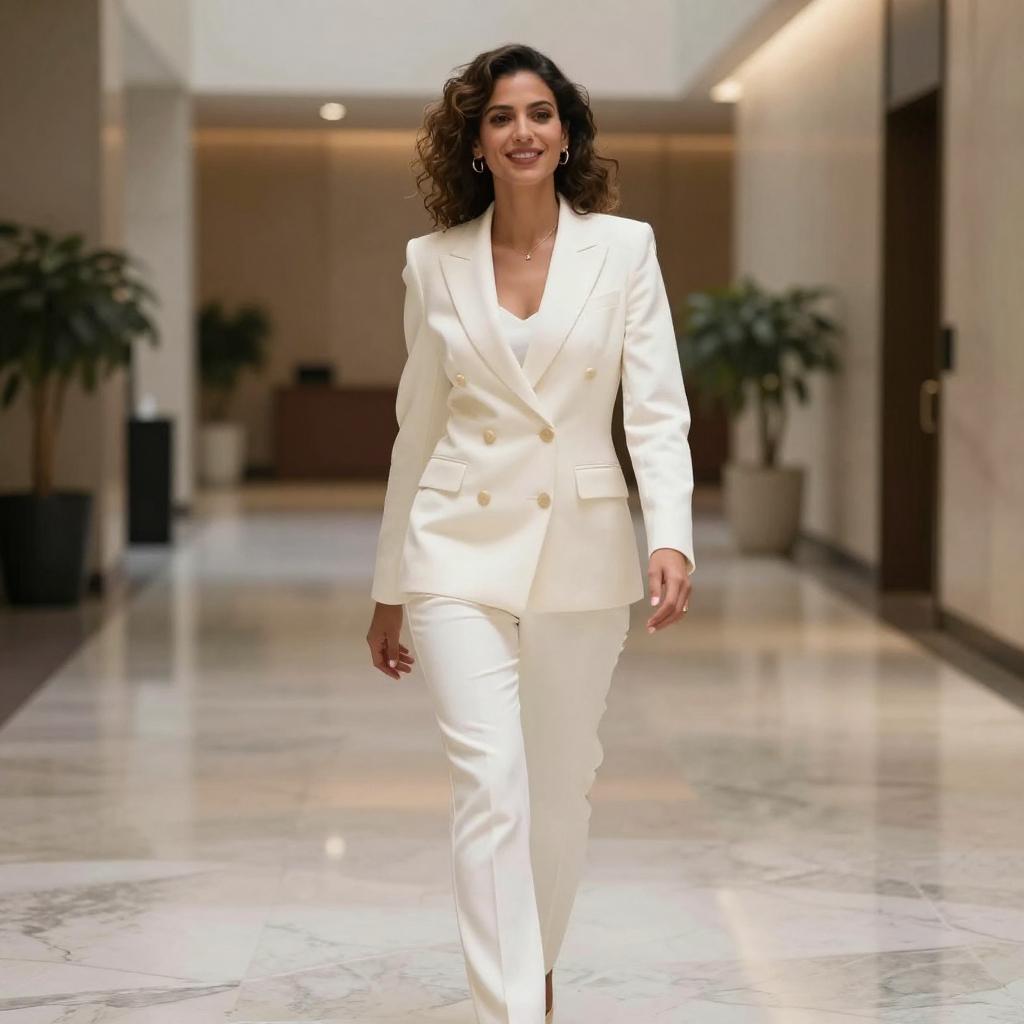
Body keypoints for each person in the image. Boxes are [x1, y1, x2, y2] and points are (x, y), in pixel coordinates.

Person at [366, 42, 695, 1024]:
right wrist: (389, 585)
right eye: (501, 116)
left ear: (566, 134)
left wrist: (670, 534)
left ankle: (533, 968)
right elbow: (417, 427)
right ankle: (511, 1009)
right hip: (455, 550)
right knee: (489, 783)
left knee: (559, 789)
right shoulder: (432, 262)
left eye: (540, 113)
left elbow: (656, 409)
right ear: (474, 141)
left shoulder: (623, 249)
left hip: (582, 555)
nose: (523, 131)